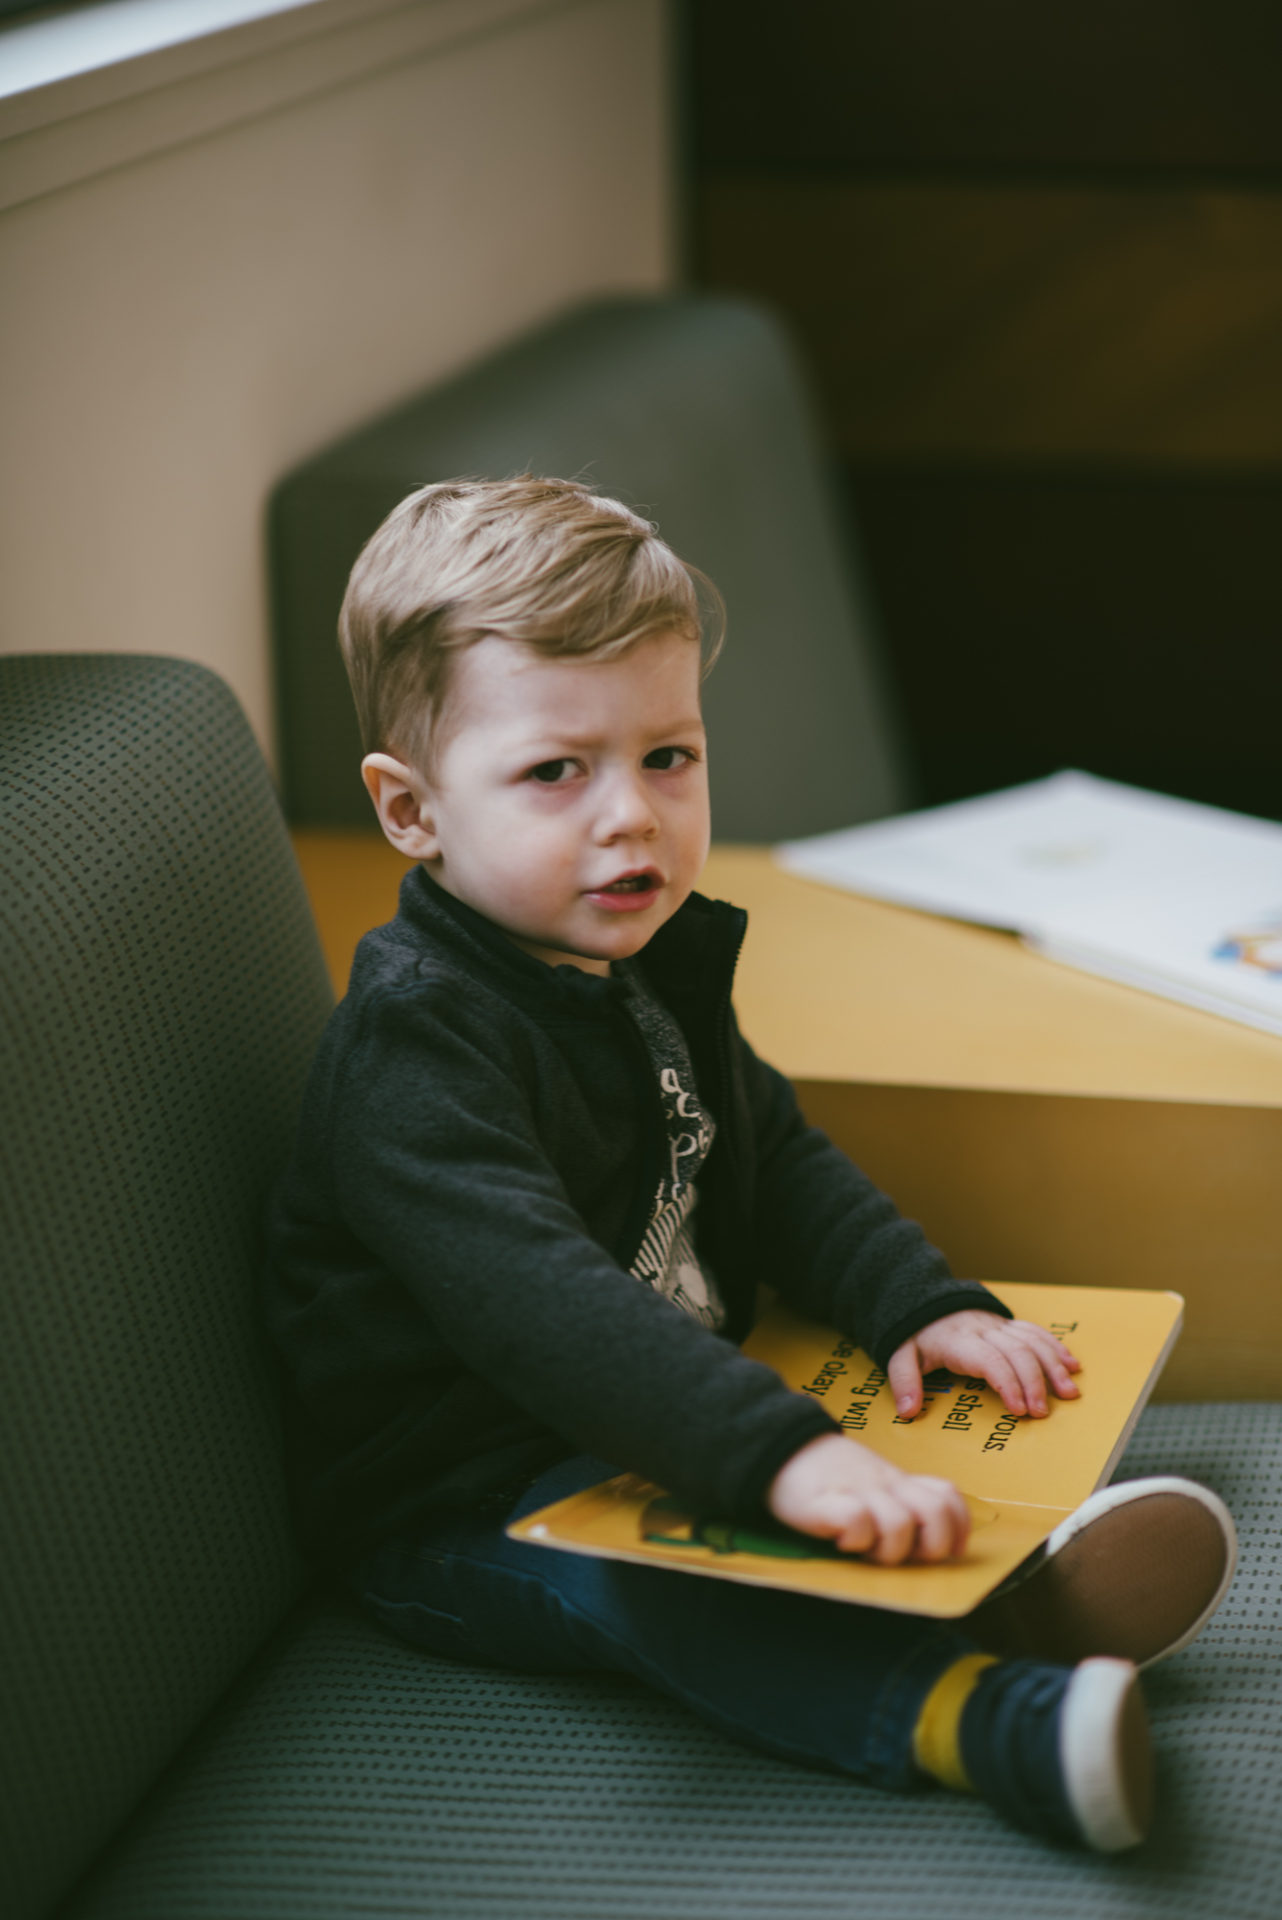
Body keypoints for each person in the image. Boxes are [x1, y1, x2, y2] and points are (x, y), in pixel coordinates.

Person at [266, 476, 1236, 1853]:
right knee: (670, 1580)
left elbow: (764, 1149)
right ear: (411, 810)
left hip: (651, 1416)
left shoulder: (639, 957)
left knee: (847, 1463)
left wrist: (917, 1300)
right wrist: (776, 1461)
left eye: (667, 755)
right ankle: (984, 1722)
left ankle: (999, 1601)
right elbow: (543, 1306)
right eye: (556, 771)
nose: (632, 818)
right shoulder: (413, 1055)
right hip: (462, 1503)